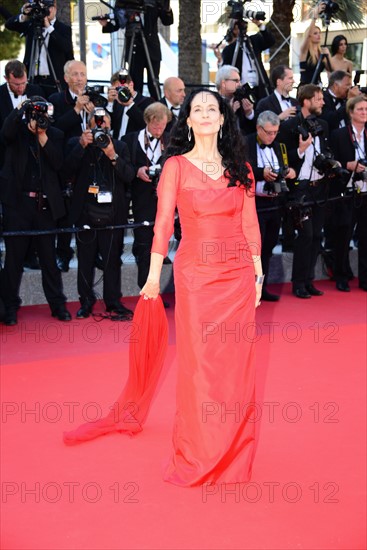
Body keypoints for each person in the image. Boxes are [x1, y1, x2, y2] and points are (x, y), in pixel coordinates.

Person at [64, 89, 263, 488]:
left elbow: (249, 223)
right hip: (196, 277)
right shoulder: (175, 166)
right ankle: (198, 450)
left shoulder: (241, 167)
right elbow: (162, 226)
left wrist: (257, 272)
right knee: (200, 366)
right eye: (197, 109)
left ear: (223, 119)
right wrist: (153, 276)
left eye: (212, 108)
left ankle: (232, 447)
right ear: (187, 120)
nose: (205, 114)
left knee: (234, 367)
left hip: (237, 276)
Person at [0, 96, 71, 326]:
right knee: (14, 260)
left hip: (45, 207)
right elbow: (5, 133)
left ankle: (57, 306)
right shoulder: (17, 132)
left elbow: (59, 164)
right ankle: (9, 308)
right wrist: (21, 108)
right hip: (18, 206)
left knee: (49, 260)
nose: (39, 119)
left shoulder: (55, 134)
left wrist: (42, 136)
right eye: (35, 114)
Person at [65, 108, 135, 318]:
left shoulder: (120, 146)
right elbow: (65, 171)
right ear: (89, 123)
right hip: (85, 213)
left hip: (113, 214)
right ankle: (86, 301)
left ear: (110, 124)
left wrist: (112, 155)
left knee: (112, 260)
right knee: (85, 260)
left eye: (104, 121)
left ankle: (113, 301)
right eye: (96, 121)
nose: (100, 125)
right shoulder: (76, 144)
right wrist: (81, 145)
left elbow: (129, 176)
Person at [278, 84, 330, 299]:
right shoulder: (290, 126)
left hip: (320, 187)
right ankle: (298, 282)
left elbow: (326, 150)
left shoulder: (323, 125)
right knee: (306, 236)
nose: (323, 102)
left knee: (317, 235)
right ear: (306, 101)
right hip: (300, 189)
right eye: (318, 99)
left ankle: (309, 280)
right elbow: (281, 157)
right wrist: (301, 149)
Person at [49, 60, 97, 273]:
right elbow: (55, 129)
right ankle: (63, 253)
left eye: (83, 74)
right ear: (66, 78)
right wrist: (76, 109)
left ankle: (94, 253)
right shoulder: (56, 100)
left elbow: (104, 126)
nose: (79, 78)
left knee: (91, 209)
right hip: (65, 162)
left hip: (91, 162)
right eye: (75, 74)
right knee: (65, 213)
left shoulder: (93, 99)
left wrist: (95, 117)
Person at [246, 111, 299, 301]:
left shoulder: (279, 146)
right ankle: (247, 289)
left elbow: (285, 167)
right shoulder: (246, 143)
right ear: (259, 128)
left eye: (275, 132)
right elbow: (242, 168)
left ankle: (262, 287)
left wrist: (290, 172)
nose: (272, 136)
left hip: (275, 204)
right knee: (253, 250)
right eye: (269, 132)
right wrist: (262, 173)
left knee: (268, 248)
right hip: (254, 204)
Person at [121, 102, 172, 290]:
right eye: (156, 126)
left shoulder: (171, 141)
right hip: (140, 201)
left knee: (159, 246)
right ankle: (146, 289)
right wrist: (137, 171)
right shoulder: (130, 140)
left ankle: (154, 287)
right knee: (144, 246)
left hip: (164, 202)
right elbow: (124, 168)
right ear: (147, 122)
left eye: (163, 126)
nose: (160, 130)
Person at [99, 0, 173, 100]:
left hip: (151, 47)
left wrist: (167, 7)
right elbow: (118, 22)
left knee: (154, 82)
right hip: (134, 48)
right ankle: (135, 109)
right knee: (135, 83)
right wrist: (106, 24)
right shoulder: (123, 2)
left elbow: (167, 21)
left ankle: (157, 109)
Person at [330, 95, 367, 292]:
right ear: (351, 112)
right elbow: (331, 163)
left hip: (366, 192)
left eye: (366, 109)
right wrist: (348, 165)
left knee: (366, 236)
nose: (364, 112)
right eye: (360, 109)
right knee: (343, 236)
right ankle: (341, 275)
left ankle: (365, 278)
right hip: (346, 192)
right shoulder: (339, 135)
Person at [5, 1, 74, 98]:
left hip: (54, 80)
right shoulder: (32, 25)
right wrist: (24, 15)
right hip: (33, 80)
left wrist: (49, 27)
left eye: (48, 7)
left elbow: (66, 48)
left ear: (54, 8)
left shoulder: (63, 28)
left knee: (54, 109)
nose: (45, 10)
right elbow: (9, 25)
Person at [221, 17, 274, 100]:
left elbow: (270, 41)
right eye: (238, 26)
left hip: (260, 88)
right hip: (241, 90)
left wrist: (259, 25)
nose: (242, 27)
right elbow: (225, 71)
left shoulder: (254, 41)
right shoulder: (229, 50)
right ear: (233, 30)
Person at [106, 71, 154, 139]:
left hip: (135, 147)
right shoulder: (117, 101)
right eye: (117, 89)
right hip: (118, 146)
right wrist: (110, 103)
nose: (120, 92)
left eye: (122, 88)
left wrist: (130, 104)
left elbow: (145, 125)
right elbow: (110, 126)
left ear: (131, 84)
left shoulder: (147, 101)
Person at [299, 2, 334, 86]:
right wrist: (315, 17)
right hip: (306, 88)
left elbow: (331, 69)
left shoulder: (321, 52)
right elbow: (308, 36)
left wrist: (328, 55)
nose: (318, 35)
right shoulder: (305, 50)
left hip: (318, 87)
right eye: (315, 33)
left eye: (319, 33)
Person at [215, 65, 255, 135]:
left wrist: (249, 113)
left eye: (240, 81)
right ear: (223, 83)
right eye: (236, 81)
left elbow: (252, 130)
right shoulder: (213, 102)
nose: (240, 84)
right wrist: (230, 112)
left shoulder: (240, 99)